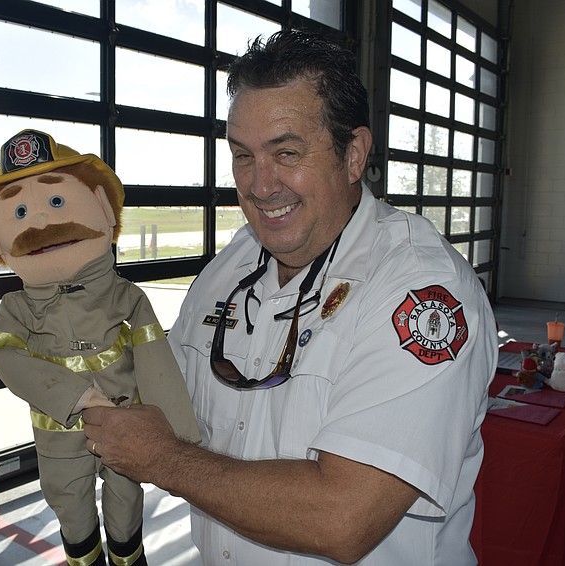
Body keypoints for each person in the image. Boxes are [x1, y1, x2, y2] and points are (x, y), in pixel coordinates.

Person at [83, 29, 497, 565]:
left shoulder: (421, 293)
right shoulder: (230, 268)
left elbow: (342, 518)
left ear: (354, 154)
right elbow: (165, 398)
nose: (260, 185)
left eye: (287, 153)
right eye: (243, 156)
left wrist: (163, 460)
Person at [0, 130, 200, 566]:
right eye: (19, 212)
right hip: (58, 434)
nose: (40, 222)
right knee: (70, 507)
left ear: (102, 207)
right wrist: (74, 395)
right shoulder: (17, 308)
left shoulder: (125, 296)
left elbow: (155, 359)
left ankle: (129, 558)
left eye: (57, 200)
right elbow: (3, 353)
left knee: (126, 502)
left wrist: (177, 439)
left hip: (124, 422)